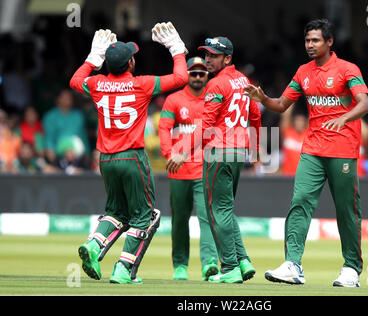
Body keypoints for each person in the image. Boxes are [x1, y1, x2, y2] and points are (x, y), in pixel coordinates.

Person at [244, 19, 368, 287]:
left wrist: (344, 118)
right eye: (307, 40)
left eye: (315, 40)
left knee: (346, 210)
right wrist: (262, 98)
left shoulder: (347, 69)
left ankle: (351, 269)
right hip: (312, 149)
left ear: (329, 42)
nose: (310, 45)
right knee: (300, 201)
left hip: (342, 150)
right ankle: (292, 264)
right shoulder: (303, 71)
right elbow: (280, 105)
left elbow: (364, 104)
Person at [69, 23, 188, 284]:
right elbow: (181, 78)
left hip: (107, 160)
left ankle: (94, 245)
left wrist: (92, 59)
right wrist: (176, 48)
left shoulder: (98, 84)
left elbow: (75, 81)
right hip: (132, 157)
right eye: (133, 57)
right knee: (147, 217)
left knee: (116, 213)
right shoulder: (142, 85)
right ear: (130, 64)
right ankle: (123, 269)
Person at [168, 37, 262, 283]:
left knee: (216, 212)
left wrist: (182, 151)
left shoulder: (217, 85)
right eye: (206, 54)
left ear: (227, 58)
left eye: (214, 55)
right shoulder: (243, 80)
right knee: (226, 210)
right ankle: (242, 261)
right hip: (238, 152)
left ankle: (229, 267)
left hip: (219, 152)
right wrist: (256, 147)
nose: (208, 59)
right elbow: (254, 115)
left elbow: (206, 127)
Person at [158, 57, 219, 281]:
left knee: (207, 218)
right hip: (179, 169)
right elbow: (164, 128)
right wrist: (169, 154)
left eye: (201, 73)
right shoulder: (174, 99)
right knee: (179, 219)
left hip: (204, 169)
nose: (196, 76)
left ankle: (210, 264)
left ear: (207, 75)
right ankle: (180, 265)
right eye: (193, 73)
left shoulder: (213, 100)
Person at [42, 89, 90, 167]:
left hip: (77, 155)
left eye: (70, 97)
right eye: (65, 97)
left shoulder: (78, 115)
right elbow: (48, 137)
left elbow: (83, 136)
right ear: (58, 99)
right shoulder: (50, 116)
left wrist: (87, 152)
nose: (69, 99)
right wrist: (50, 150)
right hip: (59, 156)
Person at [280, 106, 308, 176]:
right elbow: (286, 116)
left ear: (305, 122)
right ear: (294, 122)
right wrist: (290, 101)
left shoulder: (308, 135)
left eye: (301, 121)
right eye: (297, 120)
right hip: (287, 174)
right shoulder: (288, 132)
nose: (299, 123)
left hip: (302, 175)